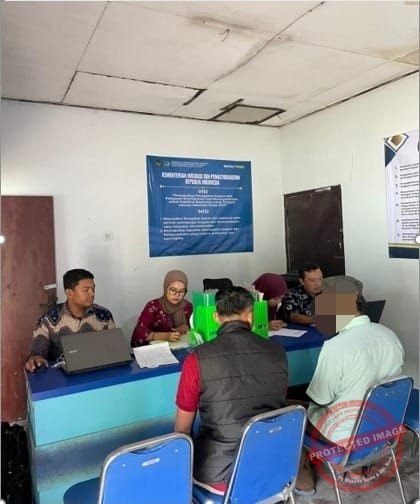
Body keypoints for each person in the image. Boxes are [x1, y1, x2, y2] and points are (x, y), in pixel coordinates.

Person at [174, 286, 288, 494]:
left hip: (220, 473)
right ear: (251, 316)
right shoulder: (277, 351)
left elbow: (182, 430)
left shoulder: (197, 359)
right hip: (272, 464)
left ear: (216, 317)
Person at [295, 285, 404, 495]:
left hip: (346, 434)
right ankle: (357, 470)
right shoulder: (389, 334)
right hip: (383, 426)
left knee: (290, 414)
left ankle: (304, 481)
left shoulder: (337, 346)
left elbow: (321, 398)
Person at [25, 269, 115, 373]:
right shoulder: (49, 319)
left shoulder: (104, 316)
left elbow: (114, 350)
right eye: (86, 290)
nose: (92, 293)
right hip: (62, 377)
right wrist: (35, 359)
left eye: (93, 288)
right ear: (69, 293)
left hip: (98, 374)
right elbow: (37, 354)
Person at [131, 270, 192, 347]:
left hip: (182, 348)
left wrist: (187, 327)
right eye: (173, 290)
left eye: (181, 291)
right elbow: (139, 332)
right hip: (156, 349)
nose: (177, 295)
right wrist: (164, 336)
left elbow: (197, 329)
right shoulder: (153, 306)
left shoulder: (187, 306)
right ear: (165, 288)